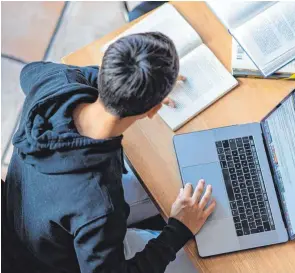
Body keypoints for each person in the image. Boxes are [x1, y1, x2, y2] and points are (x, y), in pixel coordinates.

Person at [4, 32, 216, 273]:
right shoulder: (100, 206)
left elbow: (29, 72)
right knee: (204, 260)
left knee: (172, 184)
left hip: (31, 214)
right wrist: (179, 229)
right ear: (153, 109)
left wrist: (123, 84)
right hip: (62, 259)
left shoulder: (54, 84)